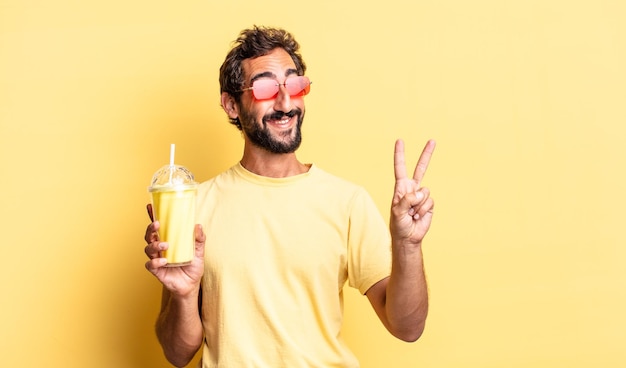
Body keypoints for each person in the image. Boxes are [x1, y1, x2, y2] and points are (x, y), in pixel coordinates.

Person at [144, 26, 436, 368]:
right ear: (231, 105)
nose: (285, 103)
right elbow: (177, 354)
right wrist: (183, 294)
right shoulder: (193, 207)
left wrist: (408, 246)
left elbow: (408, 327)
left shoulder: (347, 202)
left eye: (294, 84)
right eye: (266, 88)